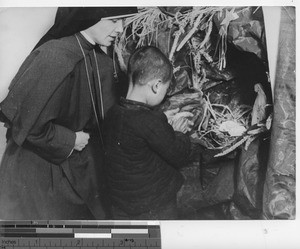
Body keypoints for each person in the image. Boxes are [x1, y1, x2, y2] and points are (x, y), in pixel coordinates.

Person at [0, 7, 137, 220]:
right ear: (89, 16)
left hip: (76, 166)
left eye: (123, 21)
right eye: (114, 21)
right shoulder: (54, 56)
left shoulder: (99, 59)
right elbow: (28, 128)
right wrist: (71, 139)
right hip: (40, 175)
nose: (120, 29)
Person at [104, 46, 193, 219]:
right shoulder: (150, 121)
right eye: (166, 90)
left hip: (122, 203)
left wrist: (162, 121)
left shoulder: (113, 113)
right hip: (153, 205)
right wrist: (179, 133)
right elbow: (179, 155)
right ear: (157, 86)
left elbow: (136, 129)